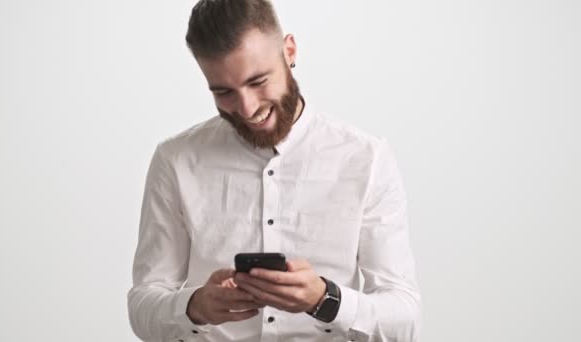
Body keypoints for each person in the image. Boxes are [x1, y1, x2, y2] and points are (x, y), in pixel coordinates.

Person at [127, 1, 421, 341]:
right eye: (223, 92)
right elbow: (142, 304)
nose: (247, 108)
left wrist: (325, 300)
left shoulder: (367, 159)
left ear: (290, 51)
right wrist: (193, 306)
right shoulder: (175, 160)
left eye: (258, 81)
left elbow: (406, 319)